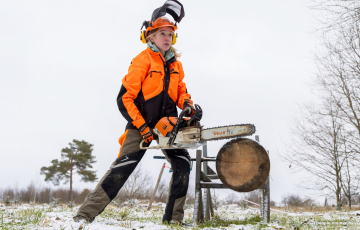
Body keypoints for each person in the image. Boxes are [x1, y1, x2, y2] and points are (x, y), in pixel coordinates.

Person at [74, 3, 196, 224]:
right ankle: (84, 214)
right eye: (162, 34)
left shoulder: (176, 64)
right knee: (123, 167)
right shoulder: (142, 60)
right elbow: (125, 98)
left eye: (170, 34)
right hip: (140, 124)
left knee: (183, 164)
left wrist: (188, 105)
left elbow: (181, 91)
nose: (167, 38)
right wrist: (141, 126)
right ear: (151, 36)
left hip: (167, 125)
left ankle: (174, 220)